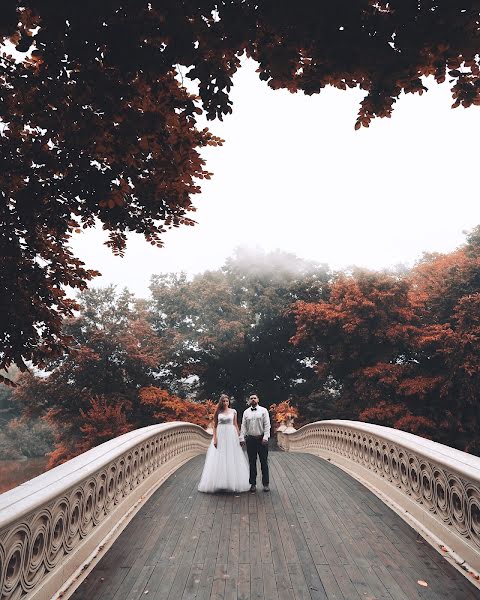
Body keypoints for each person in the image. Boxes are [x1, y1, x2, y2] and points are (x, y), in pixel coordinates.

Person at [198, 394, 250, 493]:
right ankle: (219, 483)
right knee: (219, 457)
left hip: (231, 435)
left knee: (231, 457)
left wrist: (239, 438)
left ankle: (231, 482)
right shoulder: (218, 412)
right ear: (221, 402)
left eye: (227, 401)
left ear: (229, 401)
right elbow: (215, 426)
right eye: (224, 401)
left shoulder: (233, 411)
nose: (226, 403)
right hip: (221, 435)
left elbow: (235, 425)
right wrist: (215, 439)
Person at [240, 393, 271, 492]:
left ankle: (266, 484)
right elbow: (243, 426)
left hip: (262, 439)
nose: (253, 399)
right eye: (251, 398)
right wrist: (241, 438)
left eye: (254, 398)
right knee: (252, 462)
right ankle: (252, 484)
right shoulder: (246, 412)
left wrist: (266, 437)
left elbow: (267, 425)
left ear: (258, 400)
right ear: (249, 401)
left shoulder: (263, 411)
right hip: (251, 440)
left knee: (263, 462)